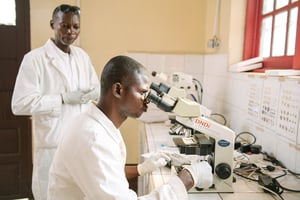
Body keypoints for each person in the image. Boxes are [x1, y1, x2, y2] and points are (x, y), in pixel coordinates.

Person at [47, 55, 213, 200]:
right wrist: (188, 178)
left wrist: (140, 169)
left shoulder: (96, 124)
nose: (147, 99)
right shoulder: (92, 138)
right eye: (142, 92)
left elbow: (106, 174)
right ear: (118, 90)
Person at [11, 4, 100, 200]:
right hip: (53, 146)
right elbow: (19, 104)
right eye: (64, 25)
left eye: (75, 27)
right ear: (53, 24)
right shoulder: (34, 59)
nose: (70, 31)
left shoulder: (82, 57)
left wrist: (95, 92)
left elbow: (95, 88)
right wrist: (61, 99)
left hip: (81, 145)